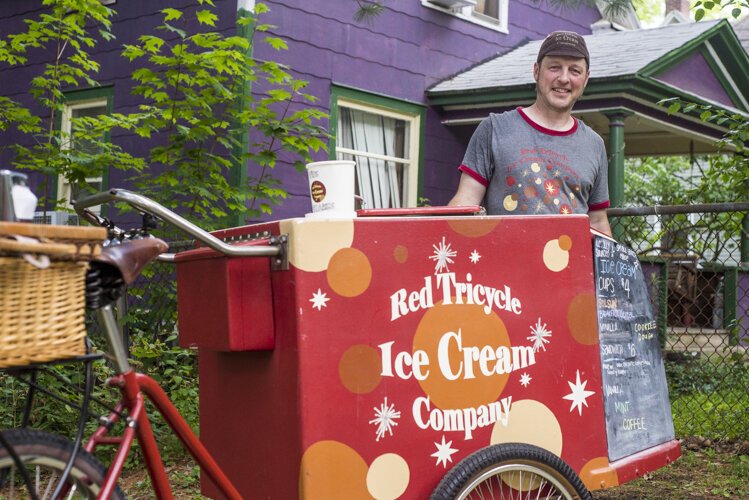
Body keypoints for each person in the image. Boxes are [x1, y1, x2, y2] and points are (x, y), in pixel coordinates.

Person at [448, 30, 612, 235]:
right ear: (536, 71)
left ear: (586, 79)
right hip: (505, 262)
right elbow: (465, 202)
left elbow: (597, 221)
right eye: (554, 67)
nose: (563, 78)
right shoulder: (494, 129)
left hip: (571, 264)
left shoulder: (594, 144)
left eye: (574, 71)